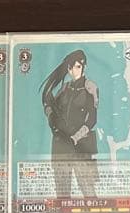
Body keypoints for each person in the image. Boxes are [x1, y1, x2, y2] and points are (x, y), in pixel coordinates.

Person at [41, 49, 99, 199]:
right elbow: (49, 105)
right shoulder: (65, 88)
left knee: (88, 191)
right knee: (62, 193)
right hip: (61, 145)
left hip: (82, 145)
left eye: (79, 66)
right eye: (72, 67)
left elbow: (92, 119)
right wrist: (51, 117)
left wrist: (76, 137)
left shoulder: (90, 87)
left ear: (84, 67)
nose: (75, 71)